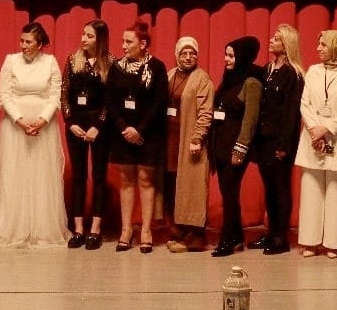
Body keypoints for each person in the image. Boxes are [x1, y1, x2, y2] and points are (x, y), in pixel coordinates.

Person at [0, 22, 68, 248]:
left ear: (40, 44)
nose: (24, 45)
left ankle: (41, 229)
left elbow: (55, 95)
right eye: (22, 41)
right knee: (13, 175)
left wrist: (42, 120)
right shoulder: (11, 61)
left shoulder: (50, 62)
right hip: (14, 127)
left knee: (41, 177)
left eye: (28, 42)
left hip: (43, 128)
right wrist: (19, 120)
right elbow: (4, 95)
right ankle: (11, 228)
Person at [295, 30, 337, 259]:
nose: (319, 48)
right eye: (319, 44)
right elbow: (305, 104)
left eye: (323, 44)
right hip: (312, 137)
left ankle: (333, 243)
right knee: (311, 189)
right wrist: (315, 130)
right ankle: (311, 241)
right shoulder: (313, 71)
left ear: (336, 47)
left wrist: (327, 129)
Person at [107, 19, 170, 252]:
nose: (123, 46)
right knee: (126, 179)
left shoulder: (157, 67)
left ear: (143, 44)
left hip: (149, 134)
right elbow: (110, 102)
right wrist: (124, 128)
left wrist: (139, 130)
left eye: (128, 41)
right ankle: (126, 229)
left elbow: (159, 103)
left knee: (145, 179)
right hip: (122, 133)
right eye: (122, 41)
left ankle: (145, 229)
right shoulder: (116, 67)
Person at [248, 25, 304, 254]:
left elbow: (292, 112)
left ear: (287, 44)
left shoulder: (293, 74)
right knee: (269, 188)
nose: (271, 40)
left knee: (281, 188)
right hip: (263, 138)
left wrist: (284, 144)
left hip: (280, 140)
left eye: (277, 39)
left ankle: (281, 238)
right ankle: (271, 233)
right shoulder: (267, 69)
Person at [62, 20, 114, 250]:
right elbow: (64, 94)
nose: (83, 39)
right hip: (76, 124)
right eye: (83, 34)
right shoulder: (72, 60)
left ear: (100, 39)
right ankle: (78, 229)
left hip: (99, 126)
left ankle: (95, 230)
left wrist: (98, 126)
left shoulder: (111, 62)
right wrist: (70, 122)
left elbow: (110, 100)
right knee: (79, 176)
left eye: (89, 36)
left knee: (99, 176)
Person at [210, 38, 263, 257]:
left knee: (230, 195)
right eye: (226, 54)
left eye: (231, 56)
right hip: (220, 145)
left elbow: (250, 119)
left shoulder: (251, 82)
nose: (227, 59)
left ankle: (227, 239)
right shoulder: (229, 78)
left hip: (235, 147)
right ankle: (237, 238)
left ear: (242, 57)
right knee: (227, 194)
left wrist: (240, 149)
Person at [164, 37, 215, 253]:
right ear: (177, 55)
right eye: (184, 53)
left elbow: (206, 112)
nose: (188, 57)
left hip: (189, 141)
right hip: (170, 141)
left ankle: (194, 238)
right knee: (172, 186)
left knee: (192, 189)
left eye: (192, 53)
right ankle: (179, 232)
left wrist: (197, 138)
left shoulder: (202, 78)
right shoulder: (169, 75)